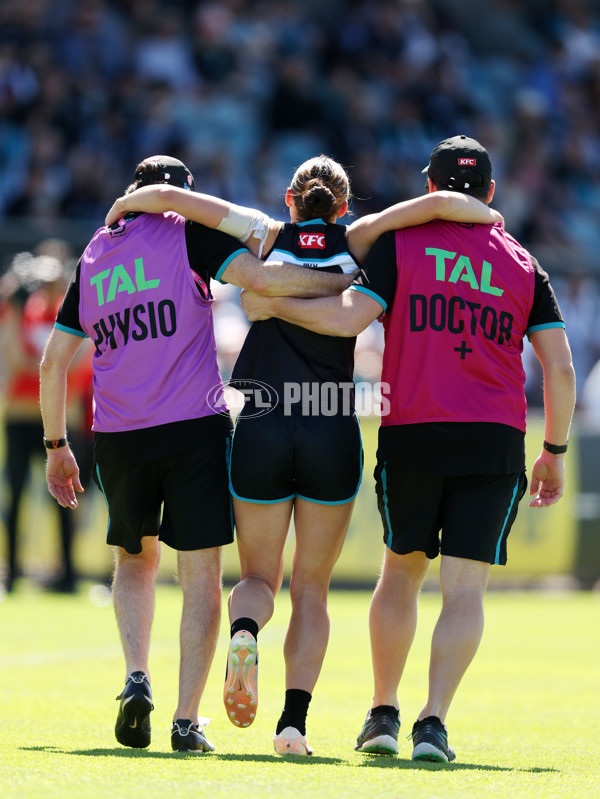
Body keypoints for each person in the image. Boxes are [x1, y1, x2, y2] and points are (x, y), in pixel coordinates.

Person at [105, 153, 502, 755]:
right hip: (329, 422)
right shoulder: (359, 242)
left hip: (264, 419)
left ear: (290, 199)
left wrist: (131, 201)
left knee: (259, 577)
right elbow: (435, 205)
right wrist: (485, 209)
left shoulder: (264, 235)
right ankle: (292, 725)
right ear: (343, 205)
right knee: (310, 589)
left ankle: (244, 631)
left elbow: (186, 204)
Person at [238, 137, 576, 762]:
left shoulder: (402, 246)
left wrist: (270, 303)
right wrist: (553, 448)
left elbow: (344, 320)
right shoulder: (524, 264)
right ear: (492, 194)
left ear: (430, 188)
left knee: (400, 575)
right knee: (464, 591)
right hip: (495, 436)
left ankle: (385, 713)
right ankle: (434, 722)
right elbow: (558, 367)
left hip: (413, 429)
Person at [39, 154, 356, 754]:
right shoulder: (190, 237)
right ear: (181, 195)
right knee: (202, 577)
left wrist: (57, 444)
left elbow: (54, 360)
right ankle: (186, 720)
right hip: (194, 427)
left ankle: (136, 678)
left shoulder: (96, 254)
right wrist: (343, 281)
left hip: (118, 435)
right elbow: (264, 281)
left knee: (134, 563)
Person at [0, 248, 93, 594]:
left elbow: (79, 362)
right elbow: (15, 360)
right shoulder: (24, 313)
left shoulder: (68, 315)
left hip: (59, 419)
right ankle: (13, 574)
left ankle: (67, 574)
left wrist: (47, 365)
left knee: (65, 499)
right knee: (17, 495)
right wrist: (13, 307)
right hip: (22, 415)